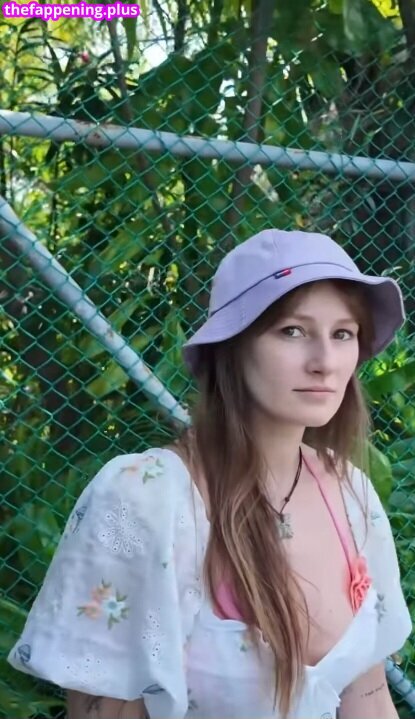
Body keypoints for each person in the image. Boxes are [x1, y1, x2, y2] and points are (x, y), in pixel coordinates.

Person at [8, 229, 412, 719]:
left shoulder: (349, 492)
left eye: (342, 334)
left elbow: (368, 696)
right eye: (292, 331)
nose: (324, 362)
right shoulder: (146, 499)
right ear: (231, 346)